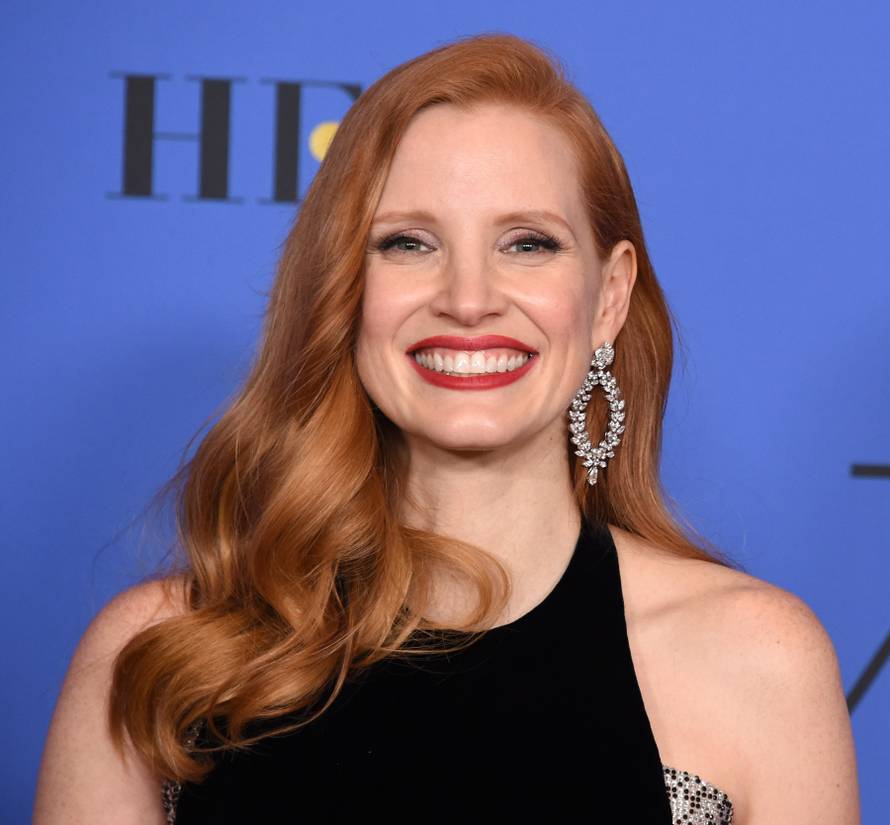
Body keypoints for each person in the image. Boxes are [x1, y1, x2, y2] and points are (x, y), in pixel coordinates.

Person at [34, 32, 860, 824]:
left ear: (608, 297)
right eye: (408, 243)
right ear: (343, 290)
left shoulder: (758, 662)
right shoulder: (160, 655)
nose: (468, 299)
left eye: (528, 243)